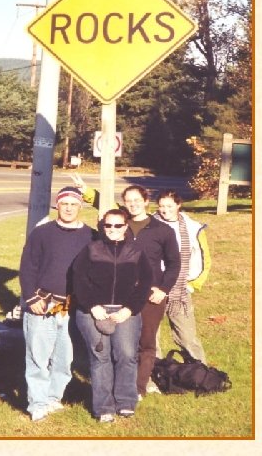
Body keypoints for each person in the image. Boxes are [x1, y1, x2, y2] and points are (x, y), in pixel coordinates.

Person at [70, 174, 180, 399]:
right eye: (128, 201)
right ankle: (114, 386)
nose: (133, 204)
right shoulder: (119, 225)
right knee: (121, 345)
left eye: (137, 200)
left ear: (146, 201)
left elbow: (174, 263)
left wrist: (164, 289)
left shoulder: (162, 230)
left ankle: (138, 387)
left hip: (151, 294)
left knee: (145, 342)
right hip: (120, 295)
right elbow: (102, 203)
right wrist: (86, 190)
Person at [18, 186, 94, 422]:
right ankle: (38, 404)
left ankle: (53, 397)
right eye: (64, 204)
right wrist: (32, 298)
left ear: (80, 206)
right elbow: (27, 267)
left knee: (64, 358)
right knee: (38, 357)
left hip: (72, 307)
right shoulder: (42, 233)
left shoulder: (91, 236)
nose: (69, 208)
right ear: (58, 205)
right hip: (43, 303)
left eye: (73, 204)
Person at [71, 209, 152, 423]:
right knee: (101, 358)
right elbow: (78, 280)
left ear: (126, 227)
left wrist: (129, 309)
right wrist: (92, 306)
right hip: (94, 311)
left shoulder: (136, 251)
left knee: (126, 355)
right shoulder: (91, 250)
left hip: (125, 312)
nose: (112, 229)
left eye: (118, 225)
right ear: (102, 226)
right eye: (108, 225)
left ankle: (125, 402)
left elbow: (145, 283)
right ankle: (104, 407)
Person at [154, 190, 211, 363]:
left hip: (180, 290)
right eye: (161, 206)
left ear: (179, 205)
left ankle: (200, 371)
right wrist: (88, 193)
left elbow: (204, 259)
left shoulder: (192, 228)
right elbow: (121, 208)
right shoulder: (149, 224)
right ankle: (154, 372)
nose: (165, 210)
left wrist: (193, 284)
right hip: (154, 289)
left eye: (169, 206)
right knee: (150, 338)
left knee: (188, 337)